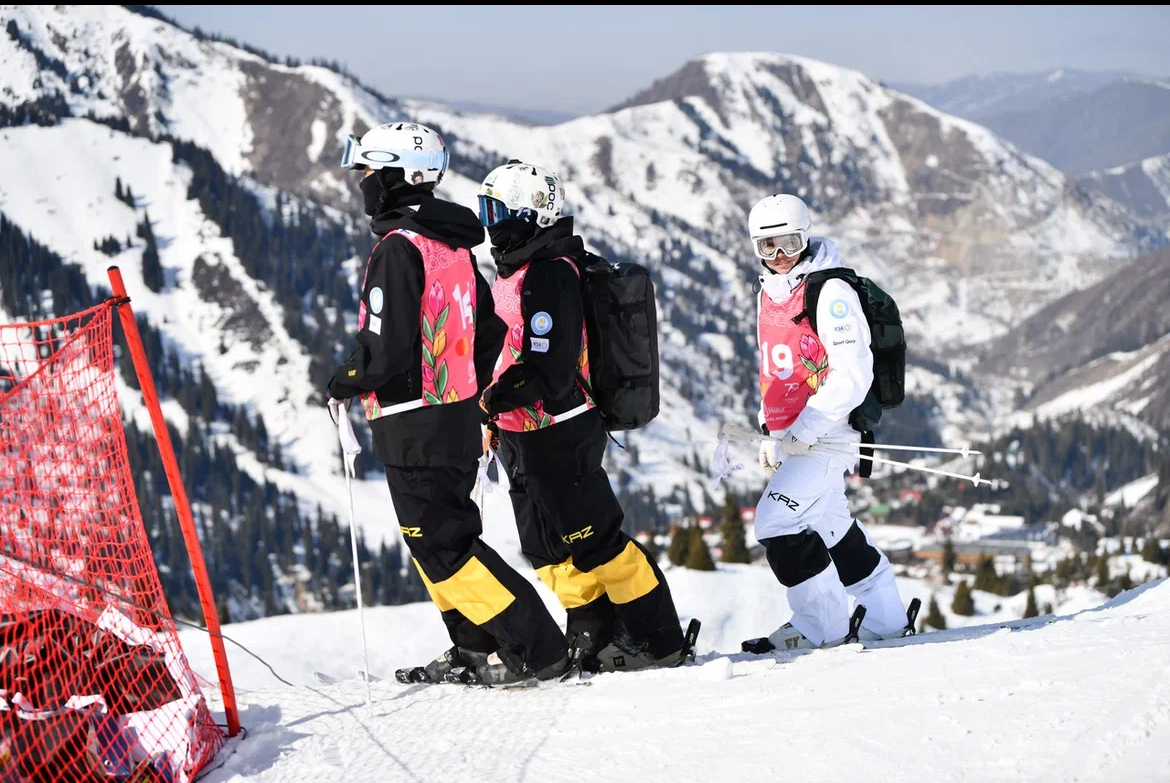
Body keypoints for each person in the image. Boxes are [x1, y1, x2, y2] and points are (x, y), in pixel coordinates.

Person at [327, 125, 568, 685]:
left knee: (442, 548)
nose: (362, 182)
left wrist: (344, 380)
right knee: (444, 541)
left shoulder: (398, 249)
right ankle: (477, 647)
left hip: (415, 424)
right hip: (453, 417)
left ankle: (539, 649)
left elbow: (383, 349)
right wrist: (466, 393)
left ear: (395, 177)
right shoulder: (453, 245)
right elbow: (489, 332)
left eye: (367, 171)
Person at [475, 160, 686, 671]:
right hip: (518, 431)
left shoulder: (550, 274)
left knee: (595, 538)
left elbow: (550, 368)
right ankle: (591, 626)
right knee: (543, 545)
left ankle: (659, 640)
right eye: (486, 208)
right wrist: (493, 415)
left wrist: (491, 400)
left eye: (496, 210)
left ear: (529, 215)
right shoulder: (515, 269)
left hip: (561, 428)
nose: (488, 220)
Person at [745, 193, 908, 650]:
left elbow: (853, 373)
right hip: (796, 435)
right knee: (832, 526)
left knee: (774, 522)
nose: (780, 258)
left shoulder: (829, 290)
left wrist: (802, 430)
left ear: (808, 234)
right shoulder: (769, 292)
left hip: (828, 434)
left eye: (791, 243)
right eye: (768, 247)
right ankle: (888, 619)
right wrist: (768, 426)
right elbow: (777, 366)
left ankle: (823, 629)